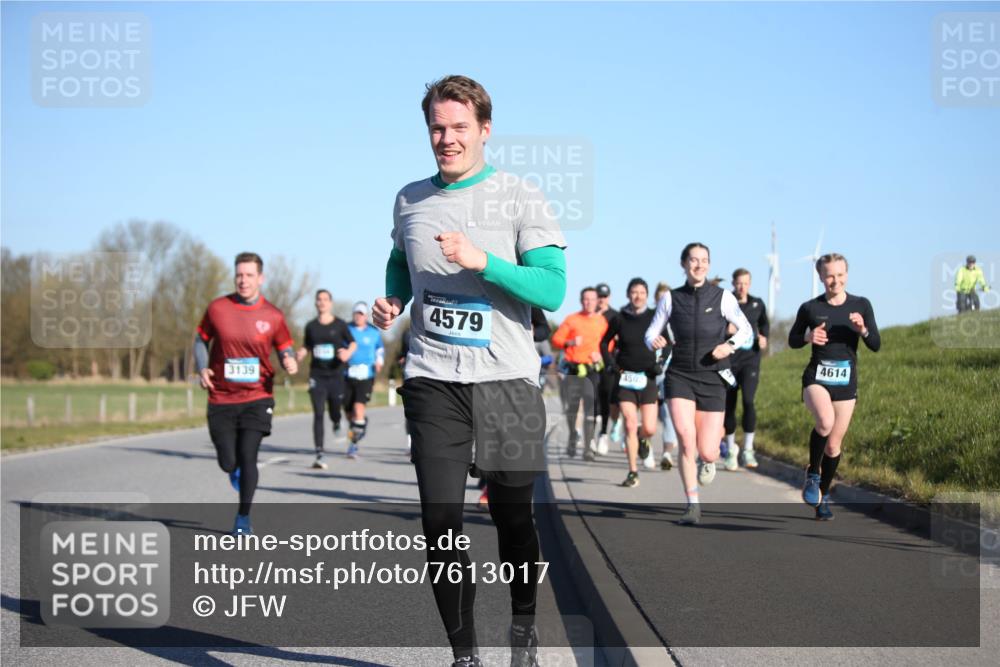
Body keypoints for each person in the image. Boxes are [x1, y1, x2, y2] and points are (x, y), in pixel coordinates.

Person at [372, 75, 566, 667]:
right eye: (437, 127)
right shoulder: (409, 198)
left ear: (485, 130)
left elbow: (553, 288)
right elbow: (400, 261)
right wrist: (392, 300)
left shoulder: (519, 196)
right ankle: (464, 657)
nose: (446, 138)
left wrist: (484, 261)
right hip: (433, 377)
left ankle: (524, 627)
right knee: (440, 521)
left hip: (507, 377)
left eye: (459, 127)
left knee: (513, 515)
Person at [645, 243, 752, 525]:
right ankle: (692, 503)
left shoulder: (722, 297)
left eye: (704, 260)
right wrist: (653, 341)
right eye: (694, 260)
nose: (699, 265)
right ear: (683, 264)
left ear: (709, 264)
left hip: (713, 376)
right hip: (679, 374)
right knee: (684, 436)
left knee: (707, 450)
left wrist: (728, 346)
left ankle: (709, 459)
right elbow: (651, 331)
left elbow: (746, 330)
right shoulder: (670, 298)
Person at [195, 252, 298, 535]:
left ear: (260, 278)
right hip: (221, 397)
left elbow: (285, 347)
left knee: (248, 454)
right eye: (239, 274)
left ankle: (243, 518)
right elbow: (200, 340)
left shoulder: (273, 316)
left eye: (249, 275)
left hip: (257, 396)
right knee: (228, 461)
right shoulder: (217, 308)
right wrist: (202, 368)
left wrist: (289, 359)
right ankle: (234, 469)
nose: (243, 280)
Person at [789, 253, 880, 521]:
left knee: (833, 446)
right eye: (829, 275)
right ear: (820, 277)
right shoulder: (810, 308)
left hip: (845, 383)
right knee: (825, 423)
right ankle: (813, 473)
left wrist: (862, 329)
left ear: (847, 275)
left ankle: (822, 497)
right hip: (817, 377)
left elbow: (875, 344)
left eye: (840, 275)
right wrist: (808, 335)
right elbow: (793, 339)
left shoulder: (861, 305)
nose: (835, 280)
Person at [600, 278, 658, 487]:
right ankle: (633, 471)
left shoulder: (655, 317)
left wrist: (659, 363)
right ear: (628, 294)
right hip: (625, 378)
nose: (638, 296)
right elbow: (604, 342)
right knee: (631, 423)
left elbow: (669, 344)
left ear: (647, 295)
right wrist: (611, 364)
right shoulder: (619, 318)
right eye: (634, 292)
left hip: (648, 378)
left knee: (649, 428)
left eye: (642, 292)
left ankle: (644, 440)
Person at [296, 290, 355, 469]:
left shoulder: (340, 324)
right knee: (319, 413)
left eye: (325, 300)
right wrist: (300, 353)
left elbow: (352, 343)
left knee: (335, 410)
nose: (321, 303)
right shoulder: (311, 326)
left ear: (330, 303)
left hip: (336, 374)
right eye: (319, 300)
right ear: (316, 303)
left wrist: (347, 353)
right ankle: (319, 453)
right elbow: (307, 345)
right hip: (317, 375)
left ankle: (337, 421)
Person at [551, 287, 608, 462]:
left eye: (592, 299)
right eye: (585, 299)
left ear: (597, 301)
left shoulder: (602, 322)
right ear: (581, 301)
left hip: (591, 369)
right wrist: (570, 341)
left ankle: (588, 449)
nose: (588, 302)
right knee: (572, 408)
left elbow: (609, 344)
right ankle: (572, 436)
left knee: (590, 405)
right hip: (573, 369)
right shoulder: (572, 319)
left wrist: (602, 354)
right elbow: (556, 340)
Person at [721, 269, 769, 471]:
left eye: (745, 283)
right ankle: (732, 450)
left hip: (750, 361)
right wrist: (726, 330)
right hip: (730, 362)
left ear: (750, 284)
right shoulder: (725, 303)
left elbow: (764, 324)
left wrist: (764, 337)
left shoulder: (757, 304)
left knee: (748, 401)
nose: (742, 287)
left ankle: (748, 448)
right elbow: (712, 327)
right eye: (739, 283)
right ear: (733, 283)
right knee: (729, 405)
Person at [344, 301, 385, 458]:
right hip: (347, 374)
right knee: (349, 412)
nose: (358, 316)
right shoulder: (347, 329)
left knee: (358, 408)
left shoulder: (373, 332)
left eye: (361, 314)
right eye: (356, 313)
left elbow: (379, 349)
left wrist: (379, 361)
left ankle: (353, 444)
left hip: (366, 374)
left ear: (365, 316)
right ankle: (359, 424)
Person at [652, 282, 678, 470]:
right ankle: (643, 437)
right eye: (660, 298)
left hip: (668, 370)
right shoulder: (649, 319)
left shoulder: (677, 321)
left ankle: (667, 452)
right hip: (647, 372)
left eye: (666, 298)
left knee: (668, 411)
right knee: (653, 414)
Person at [594, 282, 619, 454]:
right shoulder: (590, 314)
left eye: (604, 296)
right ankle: (592, 435)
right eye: (599, 296)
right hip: (591, 361)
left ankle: (604, 433)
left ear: (608, 297)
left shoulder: (614, 316)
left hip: (609, 362)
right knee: (592, 398)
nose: (602, 300)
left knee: (607, 398)